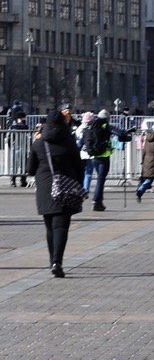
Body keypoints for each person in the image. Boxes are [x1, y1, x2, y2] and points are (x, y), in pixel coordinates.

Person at [24, 110, 85, 278]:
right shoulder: (69, 142)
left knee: (50, 227)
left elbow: (29, 169)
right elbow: (80, 167)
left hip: (45, 188)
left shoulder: (38, 143)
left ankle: (52, 261)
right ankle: (58, 261)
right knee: (61, 226)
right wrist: (78, 184)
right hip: (66, 186)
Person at [82, 109, 131, 212]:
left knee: (100, 179)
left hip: (94, 156)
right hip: (104, 157)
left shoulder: (91, 125)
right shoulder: (106, 125)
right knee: (101, 179)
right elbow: (120, 133)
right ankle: (96, 201)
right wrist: (127, 133)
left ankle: (98, 201)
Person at [137, 123, 154, 202]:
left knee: (148, 180)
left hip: (147, 159)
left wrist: (143, 160)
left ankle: (140, 190)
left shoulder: (147, 138)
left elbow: (144, 151)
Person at [8, 111, 29, 187]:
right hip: (16, 146)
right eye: (23, 117)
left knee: (23, 164)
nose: (24, 119)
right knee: (15, 164)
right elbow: (10, 137)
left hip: (21, 146)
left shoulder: (23, 125)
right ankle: (14, 180)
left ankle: (22, 180)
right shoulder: (14, 126)